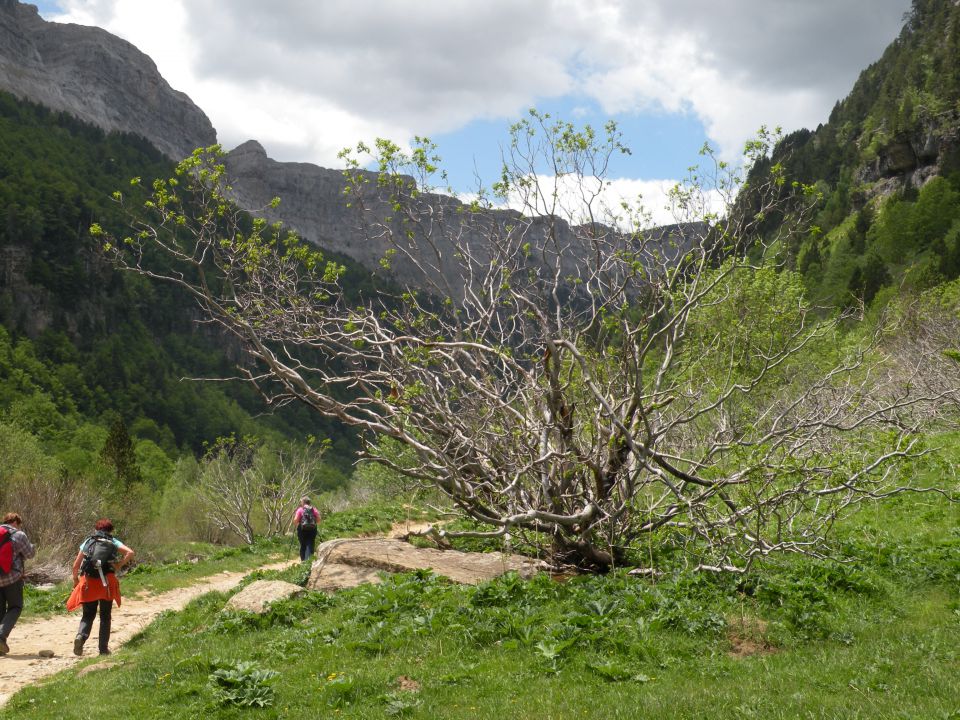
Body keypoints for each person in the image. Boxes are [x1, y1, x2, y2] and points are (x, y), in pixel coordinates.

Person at [67, 519, 134, 656]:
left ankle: (81, 636)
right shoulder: (113, 541)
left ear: (96, 529)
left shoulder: (88, 541)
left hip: (88, 581)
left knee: (87, 615)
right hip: (106, 582)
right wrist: (119, 564)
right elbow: (130, 553)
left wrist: (75, 580)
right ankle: (103, 649)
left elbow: (76, 565)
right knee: (105, 616)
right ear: (110, 530)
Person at [0, 512, 36, 655]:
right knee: (15, 607)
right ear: (16, 522)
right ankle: (1, 636)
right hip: (12, 578)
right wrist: (32, 546)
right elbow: (30, 554)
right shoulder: (19, 535)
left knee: (0, 610)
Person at [290, 496, 320, 561]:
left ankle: (303, 561)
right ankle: (309, 561)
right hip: (312, 529)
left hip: (302, 529)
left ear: (303, 502)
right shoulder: (314, 509)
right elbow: (318, 520)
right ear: (309, 502)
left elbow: (295, 520)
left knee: (303, 545)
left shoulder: (300, 509)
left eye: (301, 502)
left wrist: (296, 523)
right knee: (310, 544)